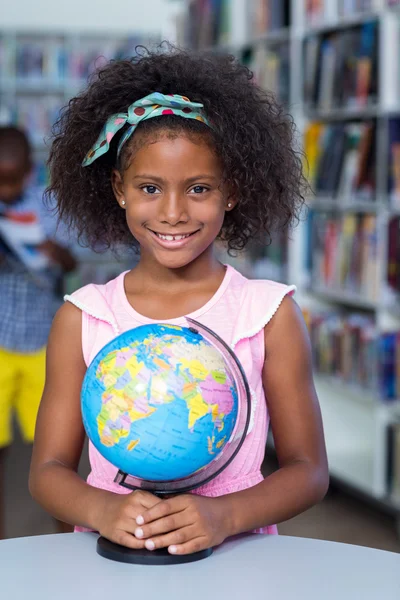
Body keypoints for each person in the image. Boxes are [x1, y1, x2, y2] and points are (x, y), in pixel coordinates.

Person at [29, 46, 329, 556]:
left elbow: (309, 470)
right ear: (119, 189)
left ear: (232, 192)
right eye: (150, 187)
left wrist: (225, 515)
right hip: (115, 563)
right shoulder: (84, 317)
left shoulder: (267, 314)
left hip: (241, 561)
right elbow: (47, 472)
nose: (173, 212)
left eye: (198, 189)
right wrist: (101, 508)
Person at [0, 126, 76, 539]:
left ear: (30, 172)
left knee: (56, 454)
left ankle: (67, 540)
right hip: (0, 342)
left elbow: (69, 264)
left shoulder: (47, 209)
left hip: (42, 344)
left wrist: (48, 250)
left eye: (13, 179)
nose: (7, 188)